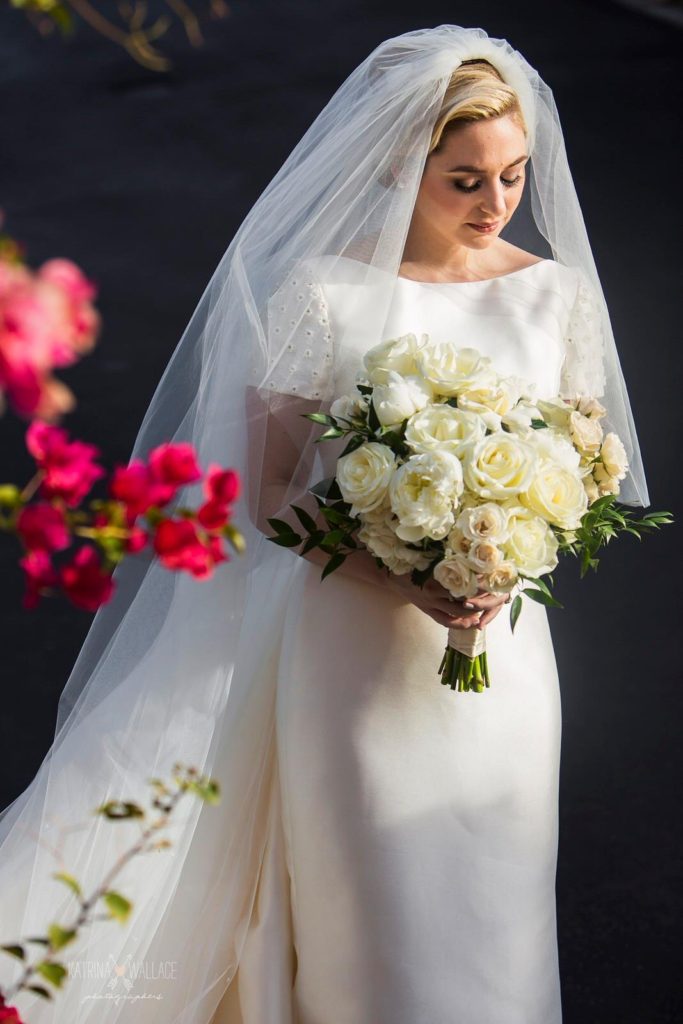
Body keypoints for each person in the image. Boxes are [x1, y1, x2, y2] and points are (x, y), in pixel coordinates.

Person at [0, 25, 648, 1024]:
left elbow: (581, 471)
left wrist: (503, 550)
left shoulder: (554, 299)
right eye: (464, 179)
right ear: (403, 162)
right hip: (350, 651)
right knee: (372, 911)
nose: (494, 204)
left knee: (495, 905)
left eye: (512, 178)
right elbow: (268, 497)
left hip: (500, 654)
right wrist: (404, 575)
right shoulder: (328, 293)